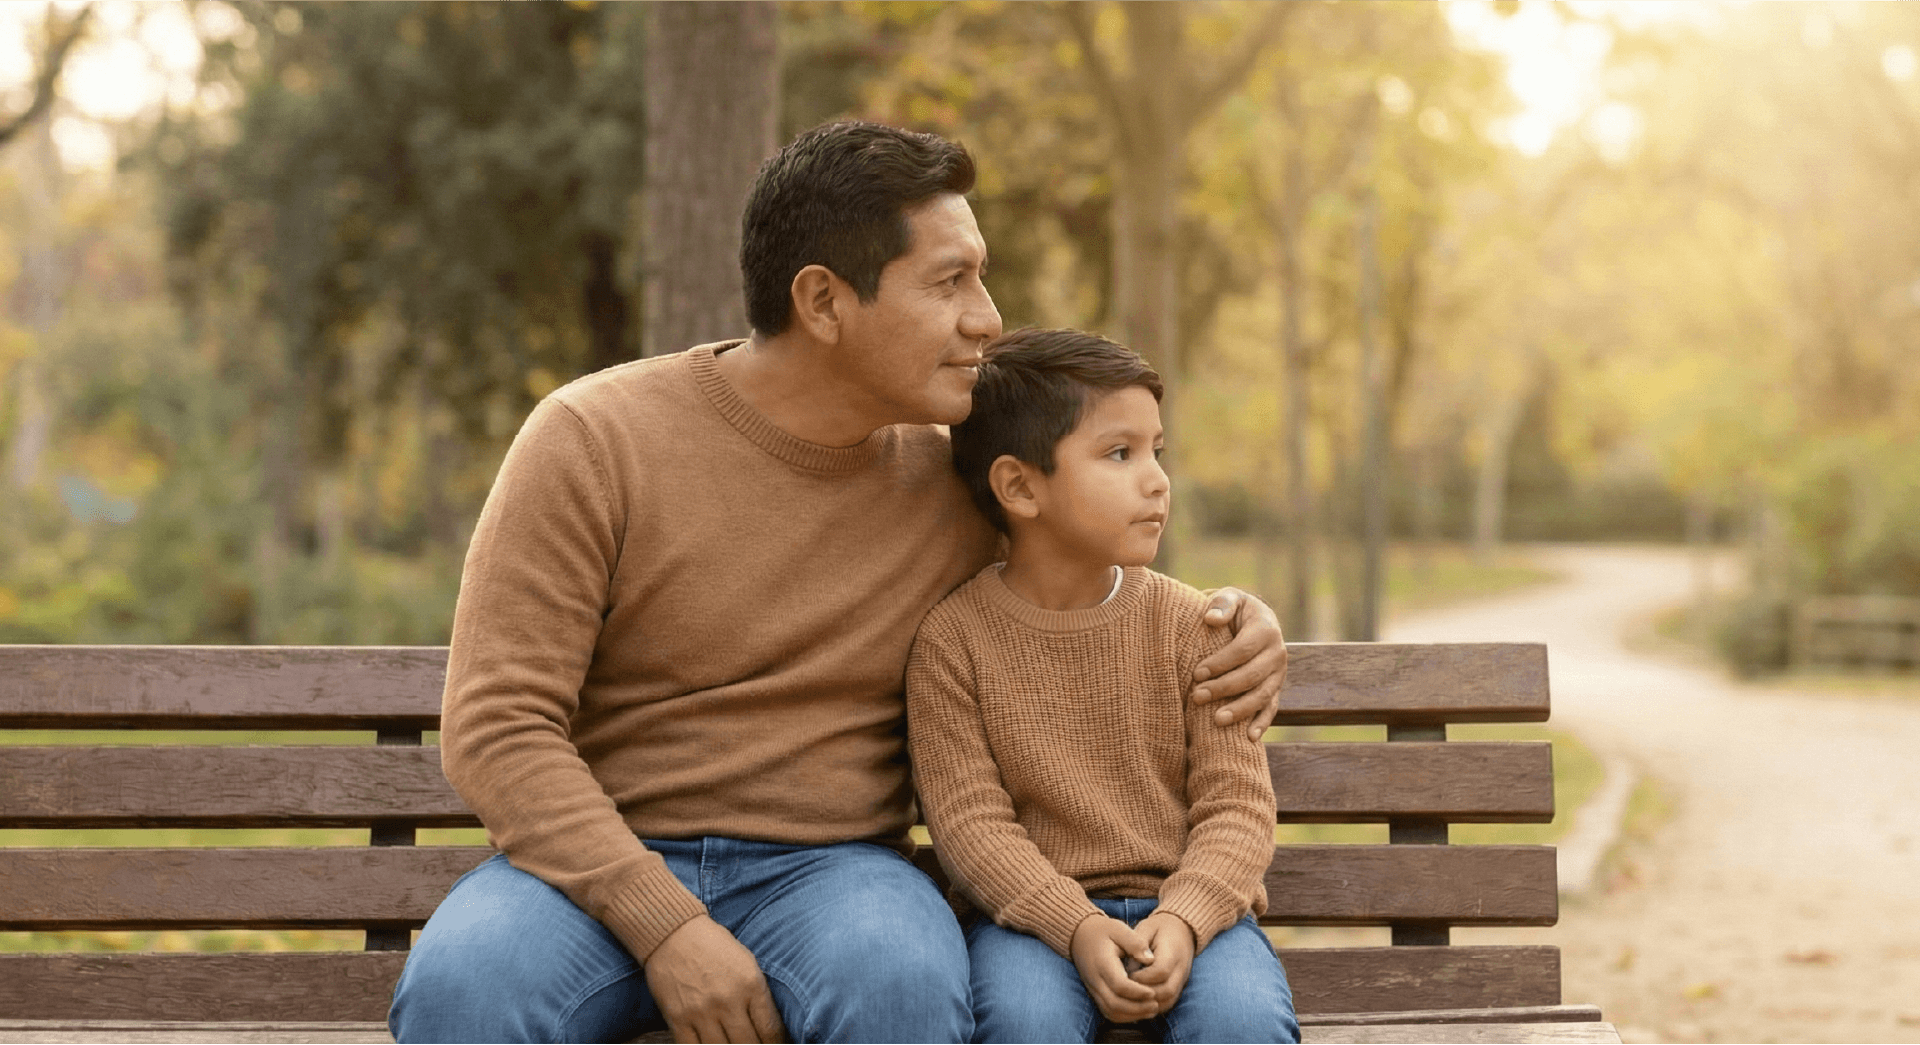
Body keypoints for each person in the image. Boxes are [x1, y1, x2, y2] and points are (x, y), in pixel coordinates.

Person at [387, 122, 1289, 1045]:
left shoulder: (962, 482)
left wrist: (1240, 621)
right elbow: (500, 725)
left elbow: (1093, 566)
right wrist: (667, 926)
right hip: (589, 871)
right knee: (463, 996)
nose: (986, 317)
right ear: (822, 300)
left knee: (901, 985)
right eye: (949, 282)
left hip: (834, 874)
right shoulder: (591, 439)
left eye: (980, 277)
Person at [907, 328, 1299, 1045]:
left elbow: (1237, 806)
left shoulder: (1197, 626)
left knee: (1243, 1024)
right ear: (1020, 486)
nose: (1156, 479)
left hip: (1196, 916)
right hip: (1032, 923)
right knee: (1024, 1024)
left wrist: (1184, 918)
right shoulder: (953, 641)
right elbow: (970, 827)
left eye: (1157, 450)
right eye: (1120, 454)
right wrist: (1076, 924)